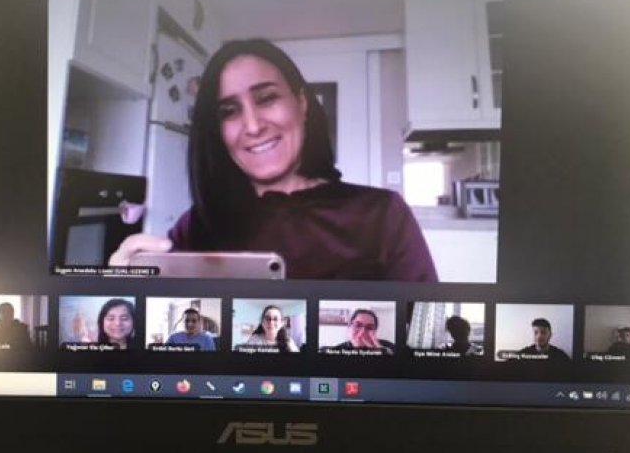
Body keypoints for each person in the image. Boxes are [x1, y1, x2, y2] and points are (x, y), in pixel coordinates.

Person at [110, 39, 437, 281]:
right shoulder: (197, 226)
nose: (253, 126)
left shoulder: (382, 216)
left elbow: (426, 338)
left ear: (302, 104)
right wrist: (124, 295)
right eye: (229, 111)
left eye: (266, 98)